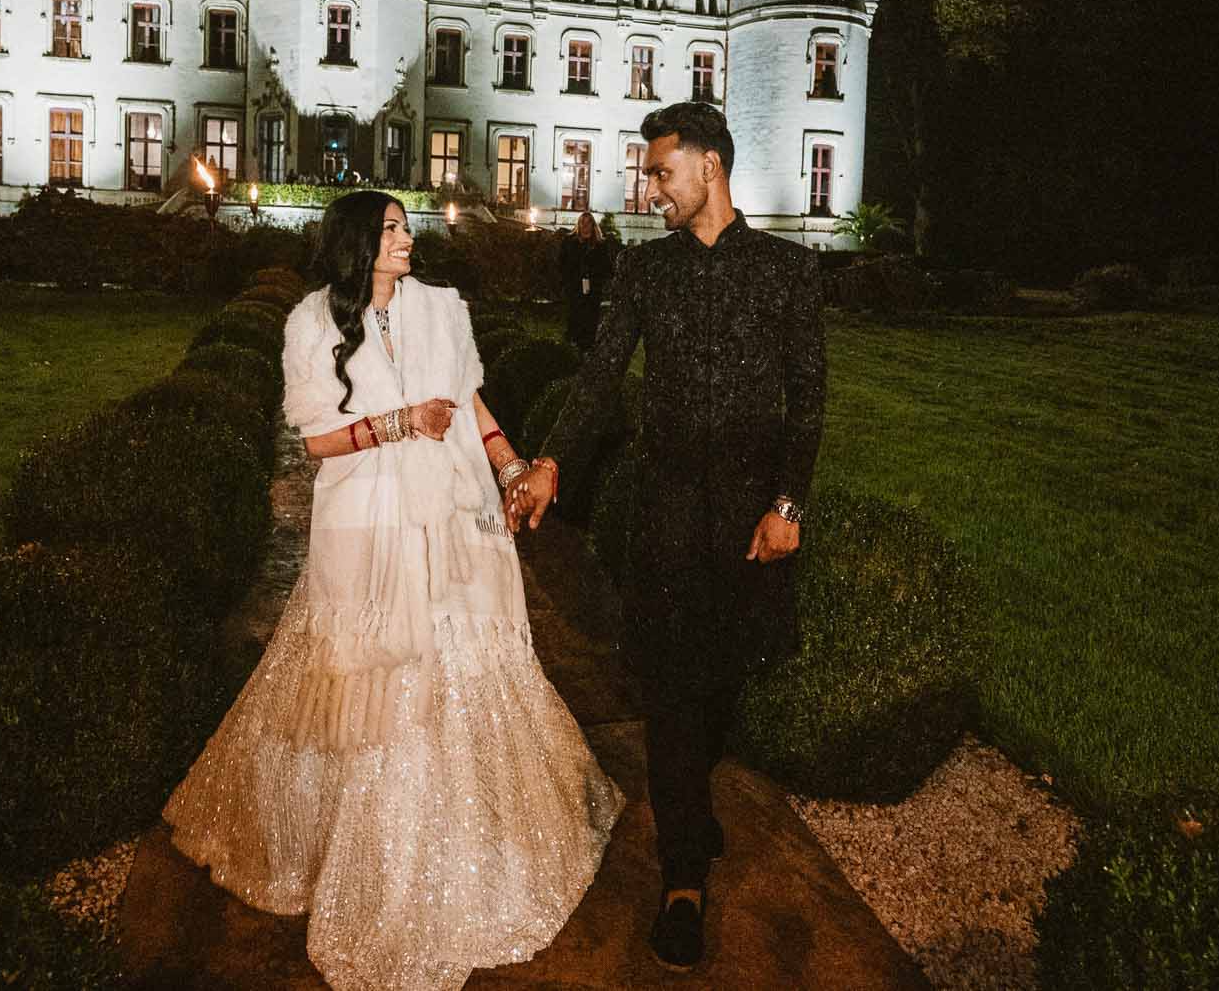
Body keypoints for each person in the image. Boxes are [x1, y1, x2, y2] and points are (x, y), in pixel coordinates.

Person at [162, 191, 623, 991]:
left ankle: (471, 847)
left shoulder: (442, 307)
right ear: (354, 244)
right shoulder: (311, 321)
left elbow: (471, 398)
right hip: (366, 518)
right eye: (392, 229)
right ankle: (352, 852)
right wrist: (400, 423)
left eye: (407, 228)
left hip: (453, 506)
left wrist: (510, 464)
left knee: (463, 655)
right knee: (364, 670)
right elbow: (313, 439)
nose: (408, 239)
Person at [509, 102, 826, 973]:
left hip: (754, 521)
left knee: (725, 680)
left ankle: (693, 800)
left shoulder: (788, 272)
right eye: (649, 175)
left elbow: (809, 401)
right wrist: (552, 462)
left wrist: (787, 507)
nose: (648, 189)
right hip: (668, 517)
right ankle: (684, 876)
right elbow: (600, 378)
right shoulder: (645, 272)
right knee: (672, 693)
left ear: (709, 168)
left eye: (660, 173)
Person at [557, 211, 615, 350]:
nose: (585, 226)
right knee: (574, 315)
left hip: (593, 288)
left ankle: (587, 346)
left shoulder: (600, 245)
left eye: (588, 223)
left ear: (593, 225)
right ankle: (572, 344)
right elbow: (562, 263)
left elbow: (606, 267)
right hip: (575, 287)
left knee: (590, 317)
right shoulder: (570, 242)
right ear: (578, 224)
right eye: (582, 222)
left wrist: (595, 276)